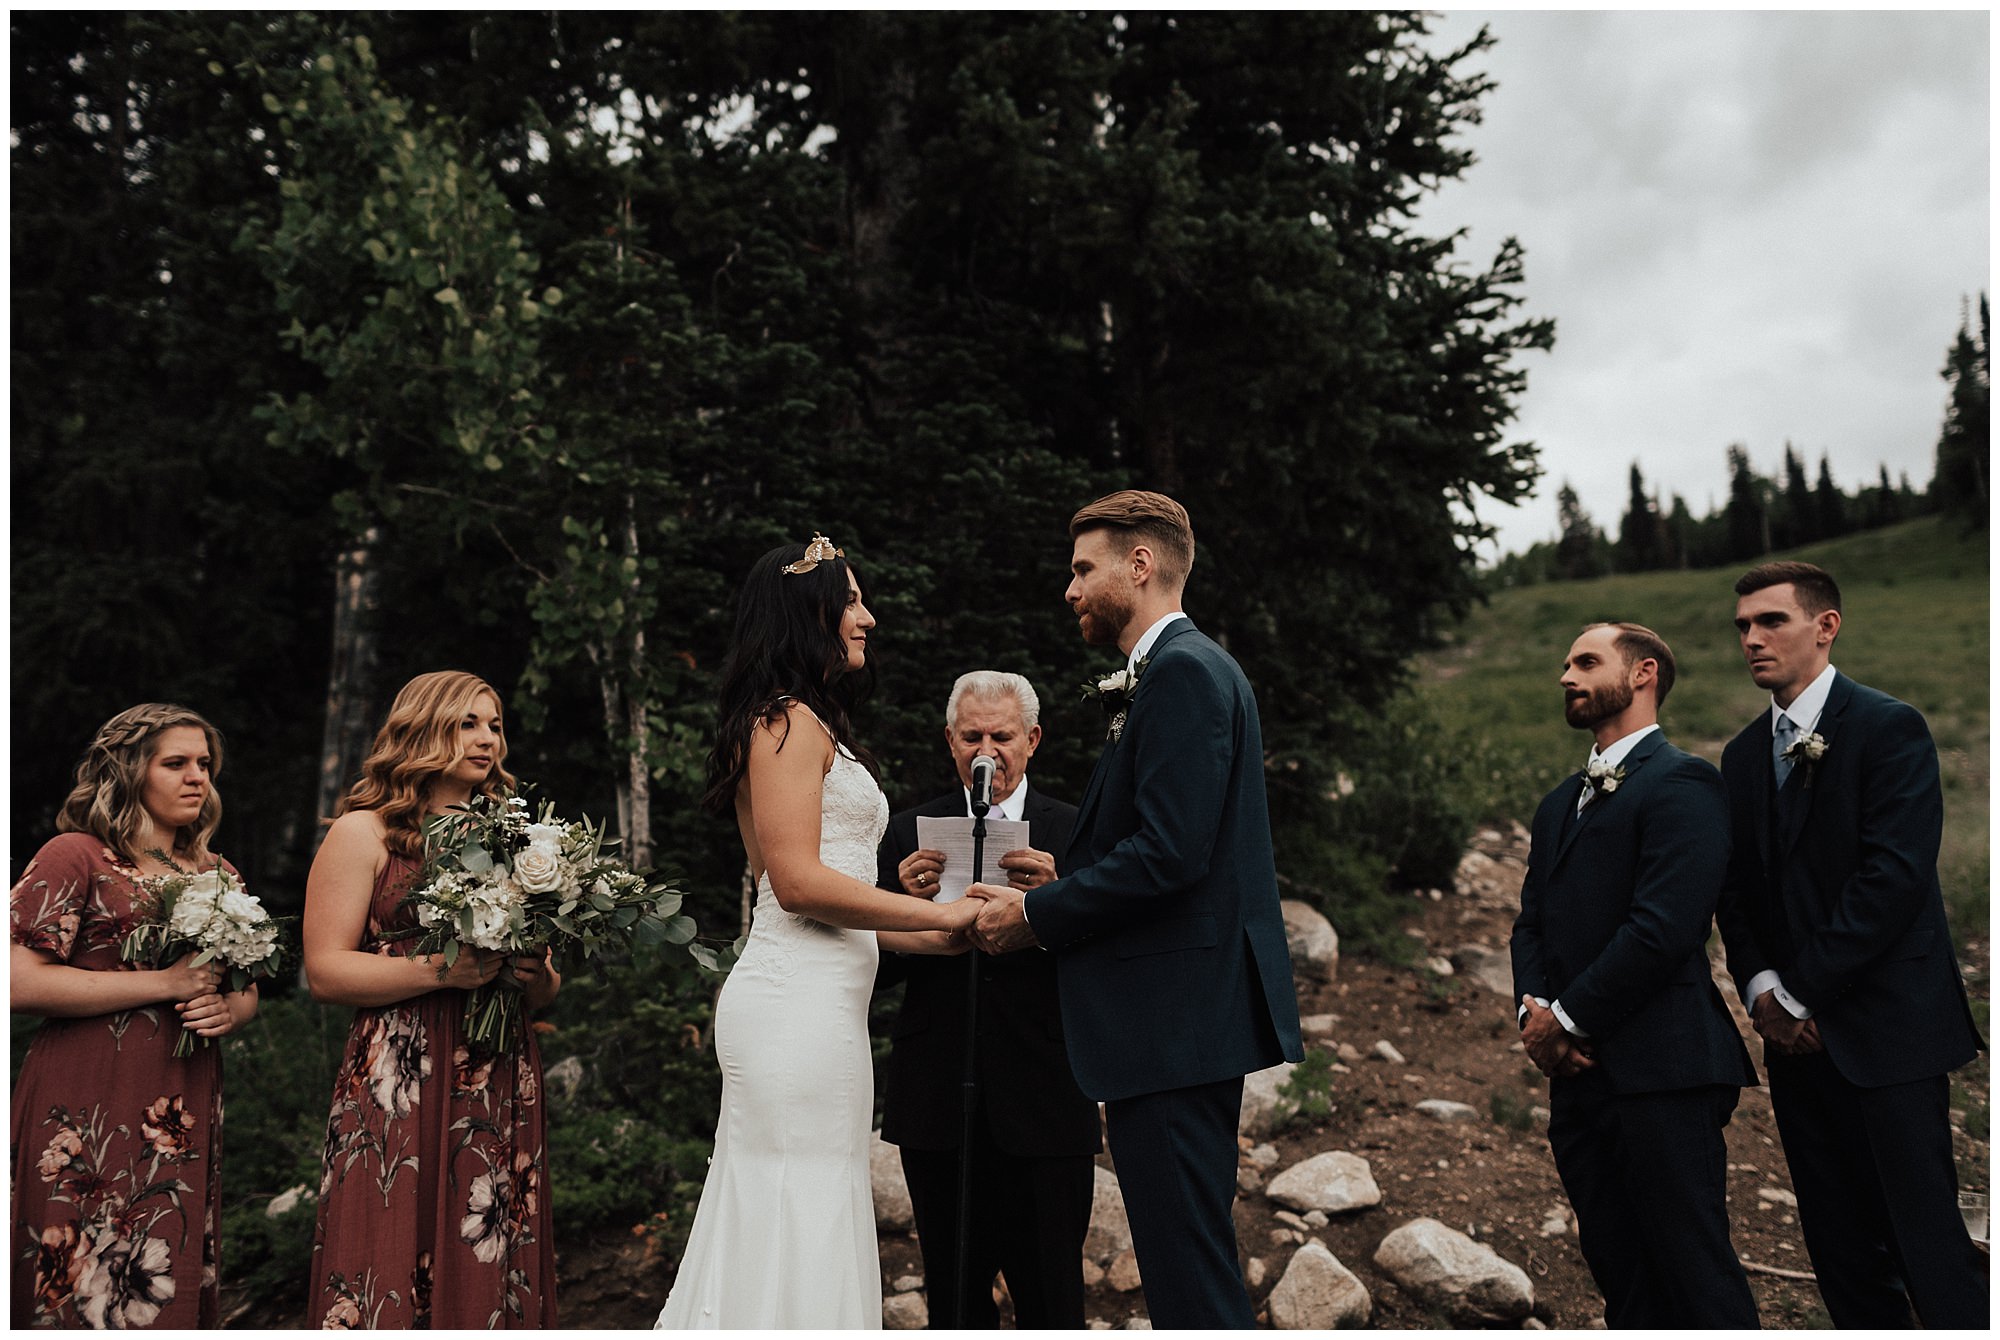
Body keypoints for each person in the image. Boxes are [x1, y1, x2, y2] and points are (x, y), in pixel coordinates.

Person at [968, 490, 1302, 1329]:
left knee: (1189, 1277)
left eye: (1084, 569)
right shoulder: (1186, 668)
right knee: (1187, 1261)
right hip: (1177, 1024)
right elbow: (1174, 846)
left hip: (1173, 1026)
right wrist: (1065, 877)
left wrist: (1037, 916)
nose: (1071, 589)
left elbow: (1171, 854)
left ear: (1140, 565)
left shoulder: (1182, 672)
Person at [655, 532, 982, 1330]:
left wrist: (941, 936)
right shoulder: (787, 722)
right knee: (793, 1209)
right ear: (811, 612)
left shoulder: (799, 723)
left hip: (819, 1006)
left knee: (805, 1205)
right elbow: (796, 886)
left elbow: (829, 906)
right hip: (793, 1012)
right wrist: (936, 912)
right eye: (852, 601)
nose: (866, 618)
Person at [1713, 561, 1986, 1328]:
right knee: (1838, 1250)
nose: (1752, 639)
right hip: (1794, 1045)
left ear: (1826, 626)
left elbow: (1892, 879)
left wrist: (1799, 994)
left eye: (1772, 621)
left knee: (1926, 1244)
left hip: (1888, 1032)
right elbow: (1736, 892)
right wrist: (1762, 992)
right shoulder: (1741, 756)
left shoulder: (1889, 727)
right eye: (1743, 626)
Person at [1509, 624, 1759, 1327]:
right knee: (1622, 1278)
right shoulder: (1558, 803)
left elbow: (1665, 928)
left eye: (1586, 662)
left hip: (1665, 1070)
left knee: (1695, 1275)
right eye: (1566, 663)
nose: (1567, 676)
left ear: (1643, 673)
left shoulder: (1685, 782)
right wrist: (1534, 1016)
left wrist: (1565, 1021)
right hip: (1578, 1080)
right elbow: (1531, 924)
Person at [304, 670, 560, 1328]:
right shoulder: (365, 833)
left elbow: (547, 987)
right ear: (422, 729)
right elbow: (325, 971)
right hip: (401, 1069)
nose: (486, 739)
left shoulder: (515, 837)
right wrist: (442, 973)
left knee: (488, 1237)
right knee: (389, 1231)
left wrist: (531, 972)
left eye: (494, 725)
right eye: (467, 723)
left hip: (495, 1068)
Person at [11, 703, 257, 1329]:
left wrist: (228, 1010)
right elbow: (16, 981)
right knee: (77, 1267)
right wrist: (164, 983)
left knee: (161, 1259)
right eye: (175, 764)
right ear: (127, 773)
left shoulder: (218, 872)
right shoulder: (76, 855)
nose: (197, 777)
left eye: (204, 764)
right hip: (86, 1091)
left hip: (182, 1099)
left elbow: (247, 989)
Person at [875, 670, 1099, 1328]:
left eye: (1001, 737)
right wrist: (905, 907)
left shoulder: (1076, 830)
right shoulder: (908, 830)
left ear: (1032, 739)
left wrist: (1058, 901)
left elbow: (1105, 967)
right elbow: (873, 973)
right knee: (954, 1298)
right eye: (972, 736)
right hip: (938, 1095)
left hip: (1045, 1095)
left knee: (1052, 1297)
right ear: (950, 741)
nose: (986, 751)